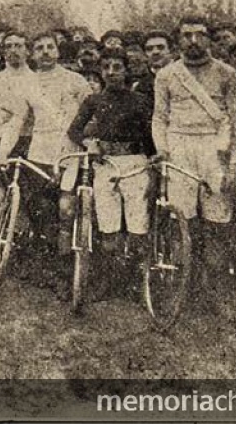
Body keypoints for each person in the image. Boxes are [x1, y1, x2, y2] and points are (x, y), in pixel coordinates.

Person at [152, 17, 236, 300]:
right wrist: (163, 150)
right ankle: (183, 284)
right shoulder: (166, 74)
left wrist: (234, 163)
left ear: (210, 39)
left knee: (217, 218)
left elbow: (233, 122)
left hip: (215, 147)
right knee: (182, 217)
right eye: (186, 35)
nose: (193, 41)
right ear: (178, 40)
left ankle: (212, 286)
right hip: (179, 146)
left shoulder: (227, 74)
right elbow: (160, 117)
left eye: (200, 35)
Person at [68, 49, 155, 299]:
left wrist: (151, 159)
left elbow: (151, 135)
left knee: (138, 221)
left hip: (135, 163)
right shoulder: (93, 101)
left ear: (126, 71)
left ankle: (136, 282)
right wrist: (90, 143)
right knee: (108, 223)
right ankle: (110, 281)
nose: (112, 72)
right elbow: (74, 131)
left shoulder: (140, 101)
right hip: (105, 164)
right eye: (106, 67)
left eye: (117, 67)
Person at [27, 31, 92, 264]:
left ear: (57, 50)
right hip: (39, 149)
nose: (45, 52)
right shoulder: (27, 81)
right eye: (39, 48)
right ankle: (46, 260)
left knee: (66, 209)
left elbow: (92, 112)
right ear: (32, 54)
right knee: (41, 208)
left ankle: (65, 263)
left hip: (69, 149)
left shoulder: (75, 80)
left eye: (49, 47)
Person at [0, 32, 40, 280]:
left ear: (27, 50)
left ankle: (18, 261)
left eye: (19, 45)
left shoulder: (37, 79)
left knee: (23, 204)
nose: (14, 50)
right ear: (3, 51)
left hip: (27, 145)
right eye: (9, 46)